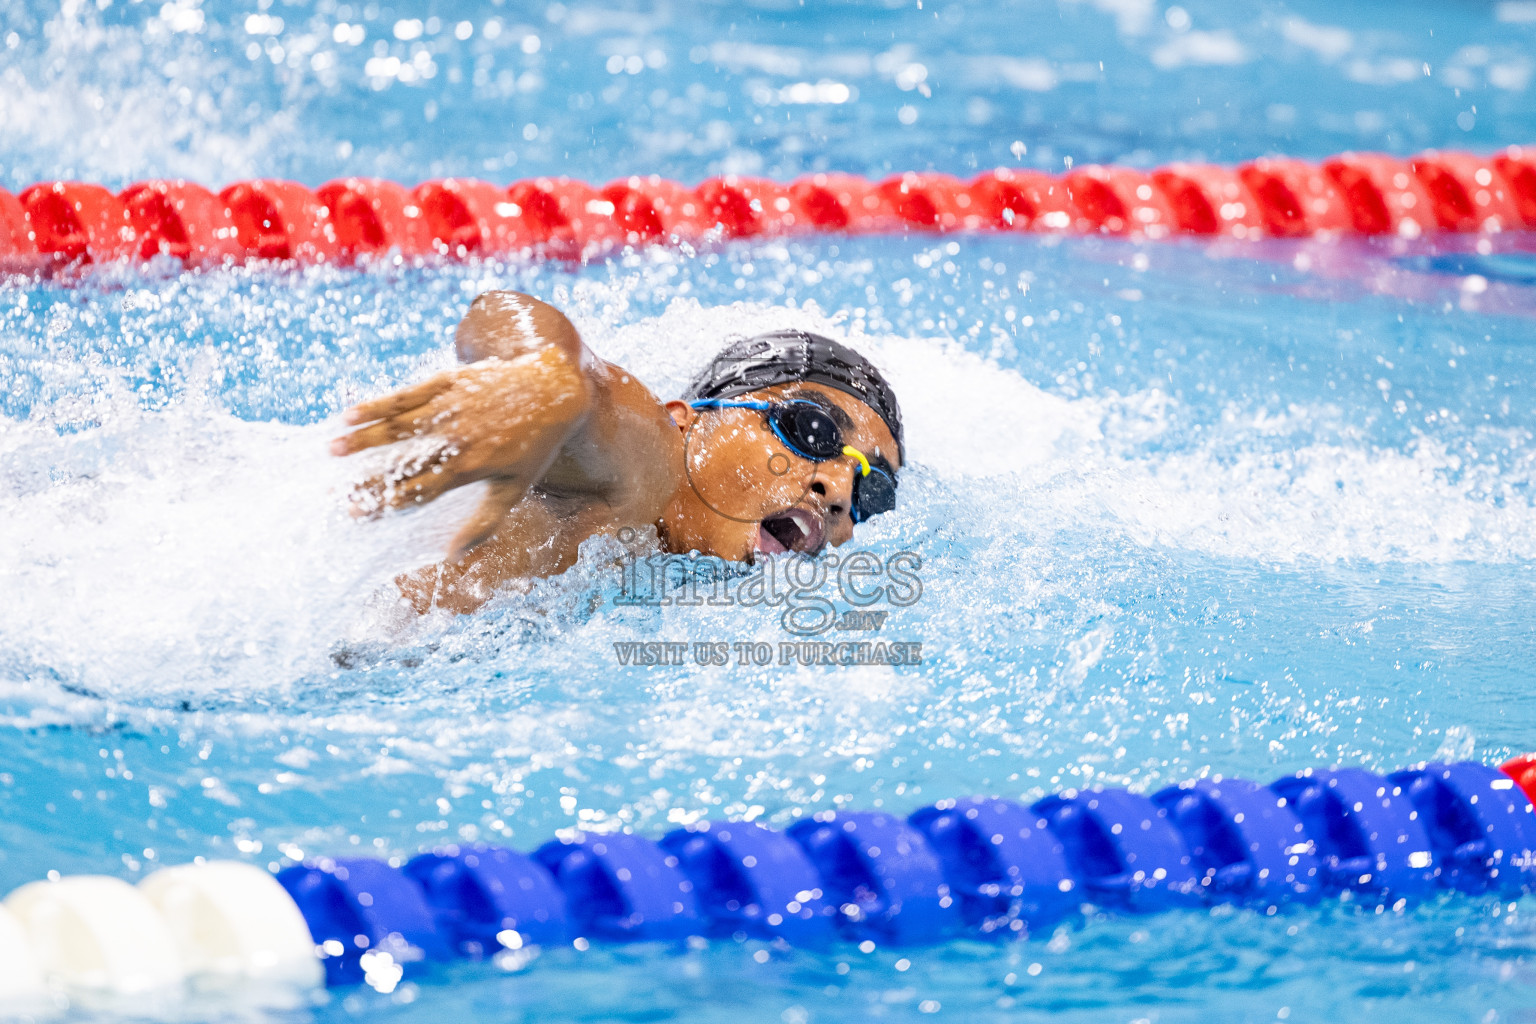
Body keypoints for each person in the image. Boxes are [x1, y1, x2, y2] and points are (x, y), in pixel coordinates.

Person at [332, 291, 904, 614]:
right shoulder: (654, 467)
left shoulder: (658, 584)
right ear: (686, 422)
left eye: (872, 490)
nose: (841, 490)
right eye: (813, 429)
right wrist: (545, 381)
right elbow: (513, 320)